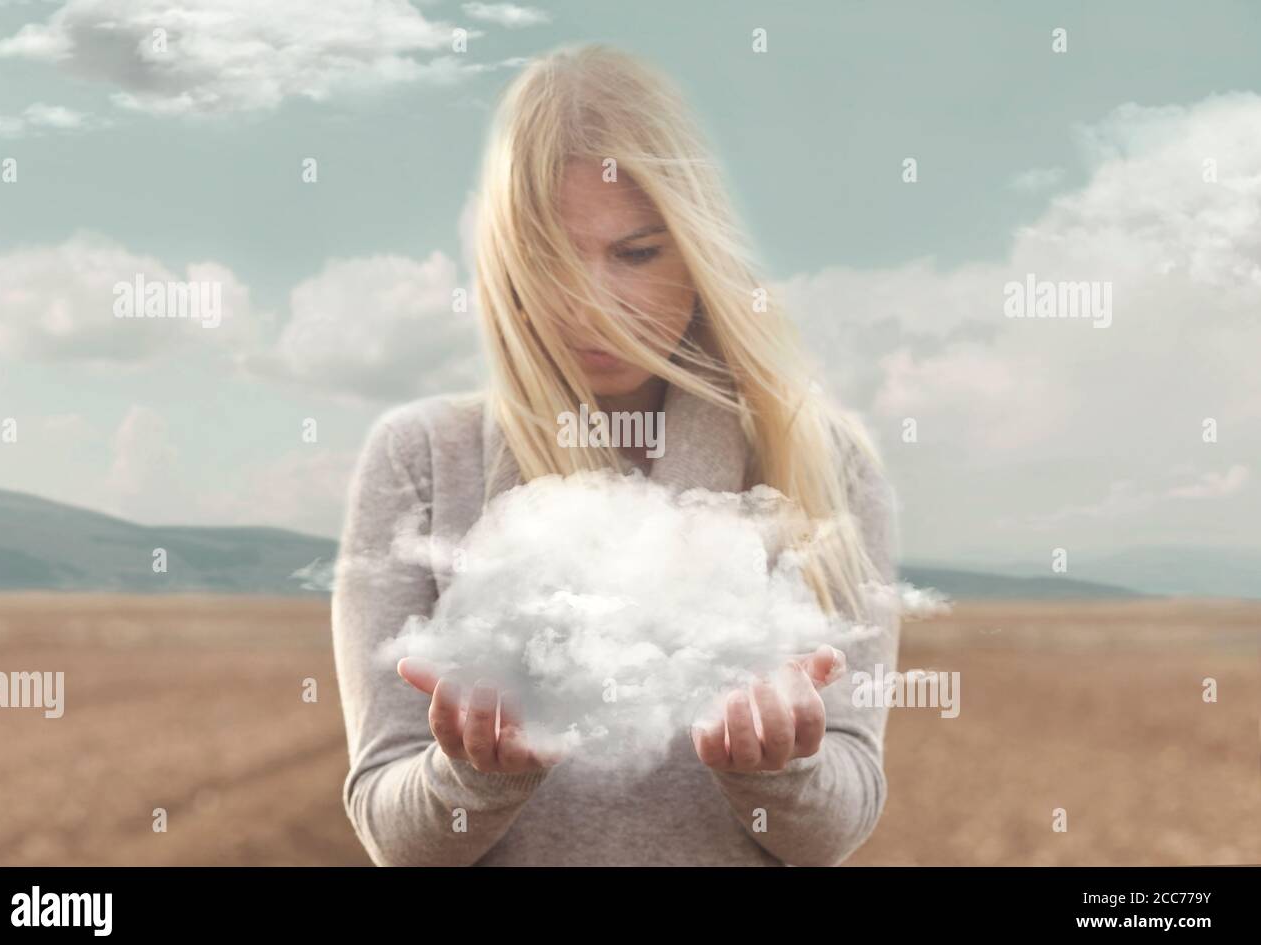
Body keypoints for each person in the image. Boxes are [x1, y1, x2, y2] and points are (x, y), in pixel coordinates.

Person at [331, 42, 900, 866]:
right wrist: (476, 776)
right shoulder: (419, 458)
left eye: (635, 254)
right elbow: (392, 832)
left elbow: (836, 827)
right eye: (550, 258)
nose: (590, 305)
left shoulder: (822, 461)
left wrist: (781, 771)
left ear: (698, 247)